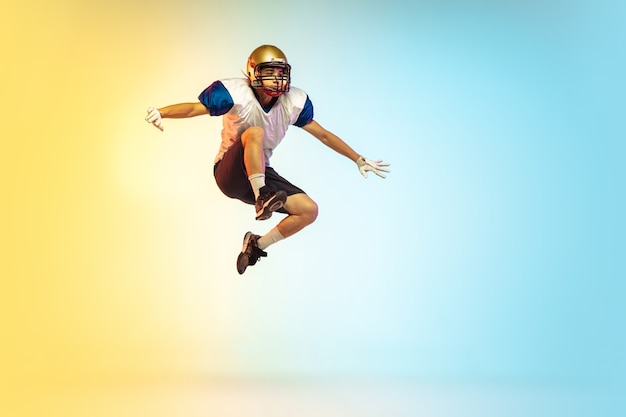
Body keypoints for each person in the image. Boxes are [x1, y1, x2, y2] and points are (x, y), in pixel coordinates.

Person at [145, 45, 390, 274]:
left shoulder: (293, 101)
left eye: (280, 72)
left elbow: (323, 135)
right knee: (254, 132)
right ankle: (262, 196)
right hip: (229, 172)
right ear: (252, 72)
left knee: (308, 210)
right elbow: (194, 108)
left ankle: (256, 244)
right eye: (268, 71)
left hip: (259, 169)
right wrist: (162, 112)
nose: (276, 77)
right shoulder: (235, 92)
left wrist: (357, 158)